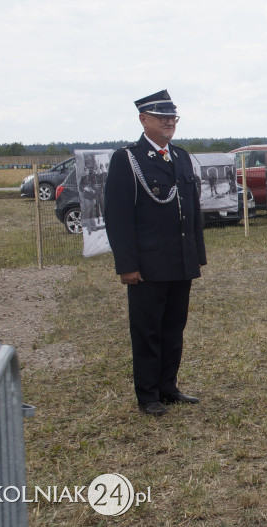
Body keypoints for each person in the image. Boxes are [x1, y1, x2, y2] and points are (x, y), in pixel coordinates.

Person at [104, 89, 205, 417]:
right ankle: (147, 395)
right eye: (161, 117)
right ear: (143, 120)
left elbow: (192, 210)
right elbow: (118, 216)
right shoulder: (128, 159)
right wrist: (127, 264)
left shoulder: (181, 157)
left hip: (180, 261)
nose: (168, 122)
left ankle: (168, 387)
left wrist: (196, 255)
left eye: (172, 117)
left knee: (174, 327)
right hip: (147, 265)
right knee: (147, 330)